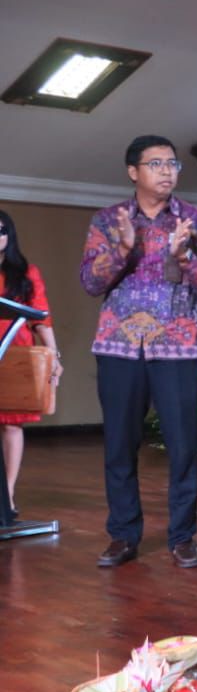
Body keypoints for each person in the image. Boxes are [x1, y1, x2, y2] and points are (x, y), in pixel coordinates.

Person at [80, 134, 197, 570]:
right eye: (156, 163)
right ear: (133, 171)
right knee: (120, 445)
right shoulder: (108, 220)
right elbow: (90, 282)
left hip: (175, 347)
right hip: (119, 347)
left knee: (183, 446)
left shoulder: (196, 220)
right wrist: (123, 248)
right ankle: (123, 535)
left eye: (172, 164)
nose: (166, 171)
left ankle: (183, 537)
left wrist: (185, 256)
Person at [0, 209, 62, 518]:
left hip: (16, 353)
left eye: (1, 231)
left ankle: (7, 497)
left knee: (12, 424)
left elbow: (42, 318)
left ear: (9, 236)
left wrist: (53, 356)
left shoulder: (26, 273)